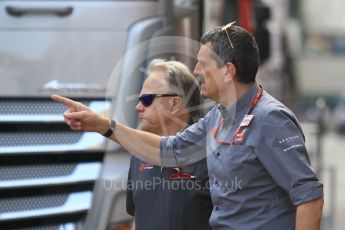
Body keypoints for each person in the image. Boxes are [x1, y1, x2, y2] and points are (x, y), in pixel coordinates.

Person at [52, 23, 324, 229]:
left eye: (202, 64)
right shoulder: (219, 116)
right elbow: (170, 149)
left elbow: (309, 198)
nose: (195, 71)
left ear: (228, 71)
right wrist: (103, 125)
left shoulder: (270, 119)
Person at [126, 59, 212, 230]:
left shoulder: (210, 153)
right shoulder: (138, 153)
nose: (138, 107)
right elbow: (136, 216)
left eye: (147, 99)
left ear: (174, 104)